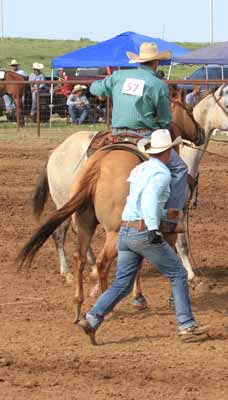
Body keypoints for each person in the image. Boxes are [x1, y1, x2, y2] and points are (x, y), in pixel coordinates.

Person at [77, 129, 210, 345]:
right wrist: (154, 229)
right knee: (177, 273)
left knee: (122, 283)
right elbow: (149, 201)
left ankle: (92, 318)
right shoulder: (162, 174)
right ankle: (187, 326)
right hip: (143, 231)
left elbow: (136, 200)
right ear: (167, 151)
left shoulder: (140, 170)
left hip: (126, 231)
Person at [90, 42, 186, 232]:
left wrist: (103, 93)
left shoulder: (118, 76)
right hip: (142, 136)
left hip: (116, 134)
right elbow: (166, 118)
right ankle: (171, 216)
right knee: (180, 168)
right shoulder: (158, 84)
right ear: (156, 63)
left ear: (139, 61)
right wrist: (160, 126)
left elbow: (95, 88)